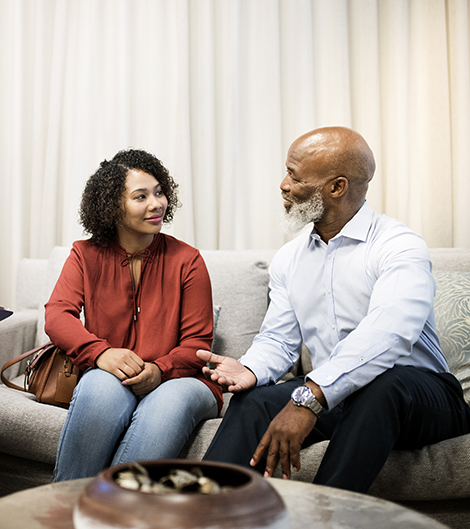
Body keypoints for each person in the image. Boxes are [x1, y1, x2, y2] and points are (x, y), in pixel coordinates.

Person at [199, 126, 470, 492]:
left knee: (382, 385)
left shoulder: (398, 246)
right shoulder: (290, 259)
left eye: (294, 176)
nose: (283, 184)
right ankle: (198, 513)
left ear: (337, 187)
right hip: (342, 396)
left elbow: (389, 334)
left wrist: (309, 398)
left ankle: (326, 520)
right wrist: (250, 368)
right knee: (256, 402)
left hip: (422, 397)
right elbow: (279, 340)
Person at [45, 149, 222, 481]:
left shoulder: (188, 260)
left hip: (183, 380)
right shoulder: (84, 254)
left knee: (167, 403)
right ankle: (64, 513)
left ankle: (115, 517)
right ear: (112, 206)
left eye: (159, 192)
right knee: (99, 387)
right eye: (141, 196)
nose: (157, 203)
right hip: (113, 373)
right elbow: (57, 315)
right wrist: (102, 354)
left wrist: (159, 370)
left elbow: (198, 342)